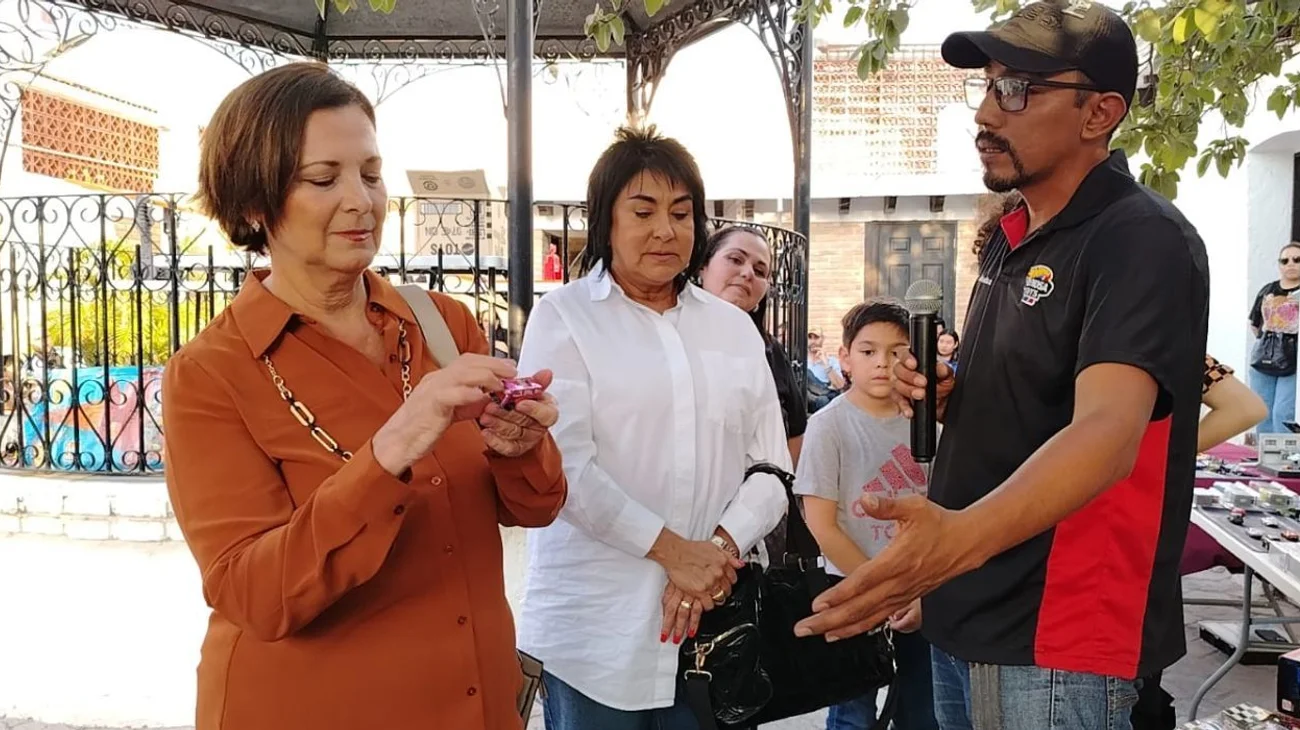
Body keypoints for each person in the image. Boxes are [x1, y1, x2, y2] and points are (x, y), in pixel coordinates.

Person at [794, 5, 1210, 730]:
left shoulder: (1139, 239)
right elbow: (1034, 402)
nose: (986, 112)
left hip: (1060, 639)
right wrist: (957, 400)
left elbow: (1110, 433)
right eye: (986, 87)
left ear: (1100, 113)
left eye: (1017, 89)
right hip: (970, 607)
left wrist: (949, 545)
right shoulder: (1011, 239)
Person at [162, 63, 567, 730]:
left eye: (372, 174)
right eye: (324, 179)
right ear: (254, 204)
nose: (362, 200)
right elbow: (255, 595)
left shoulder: (440, 323)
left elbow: (535, 507)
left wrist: (521, 449)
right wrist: (393, 449)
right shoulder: (211, 373)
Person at [515, 126, 790, 730]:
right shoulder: (564, 319)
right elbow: (566, 469)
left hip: (714, 631)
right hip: (596, 633)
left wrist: (714, 554)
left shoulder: (733, 329)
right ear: (606, 221)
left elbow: (771, 468)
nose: (666, 230)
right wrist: (674, 553)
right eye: (643, 211)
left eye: (682, 213)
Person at [795, 299, 937, 730]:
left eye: (897, 352)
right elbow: (822, 523)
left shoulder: (930, 423)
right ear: (846, 357)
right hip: (853, 589)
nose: (883, 363)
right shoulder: (829, 426)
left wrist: (914, 592)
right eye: (869, 351)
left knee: (923, 710)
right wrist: (881, 590)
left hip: (921, 593)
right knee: (852, 712)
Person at [699, 225, 807, 465]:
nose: (748, 273)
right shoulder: (674, 341)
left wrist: (774, 487)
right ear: (702, 267)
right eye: (735, 259)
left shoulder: (770, 351)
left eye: (760, 271)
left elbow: (795, 433)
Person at [1248, 242, 1300, 433]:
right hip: (1265, 354)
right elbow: (1255, 323)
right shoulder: (1267, 290)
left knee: (1283, 412)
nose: (1291, 264)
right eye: (1285, 260)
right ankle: (1267, 456)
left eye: (1297, 259)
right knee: (1263, 411)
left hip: (1294, 358)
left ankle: (1285, 459)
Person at [807, 330, 846, 413]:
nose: (813, 341)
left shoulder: (831, 361)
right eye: (810, 337)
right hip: (809, 398)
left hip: (825, 399)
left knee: (823, 400)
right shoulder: (801, 360)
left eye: (816, 337)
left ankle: (824, 392)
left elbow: (840, 385)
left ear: (823, 339)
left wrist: (826, 364)